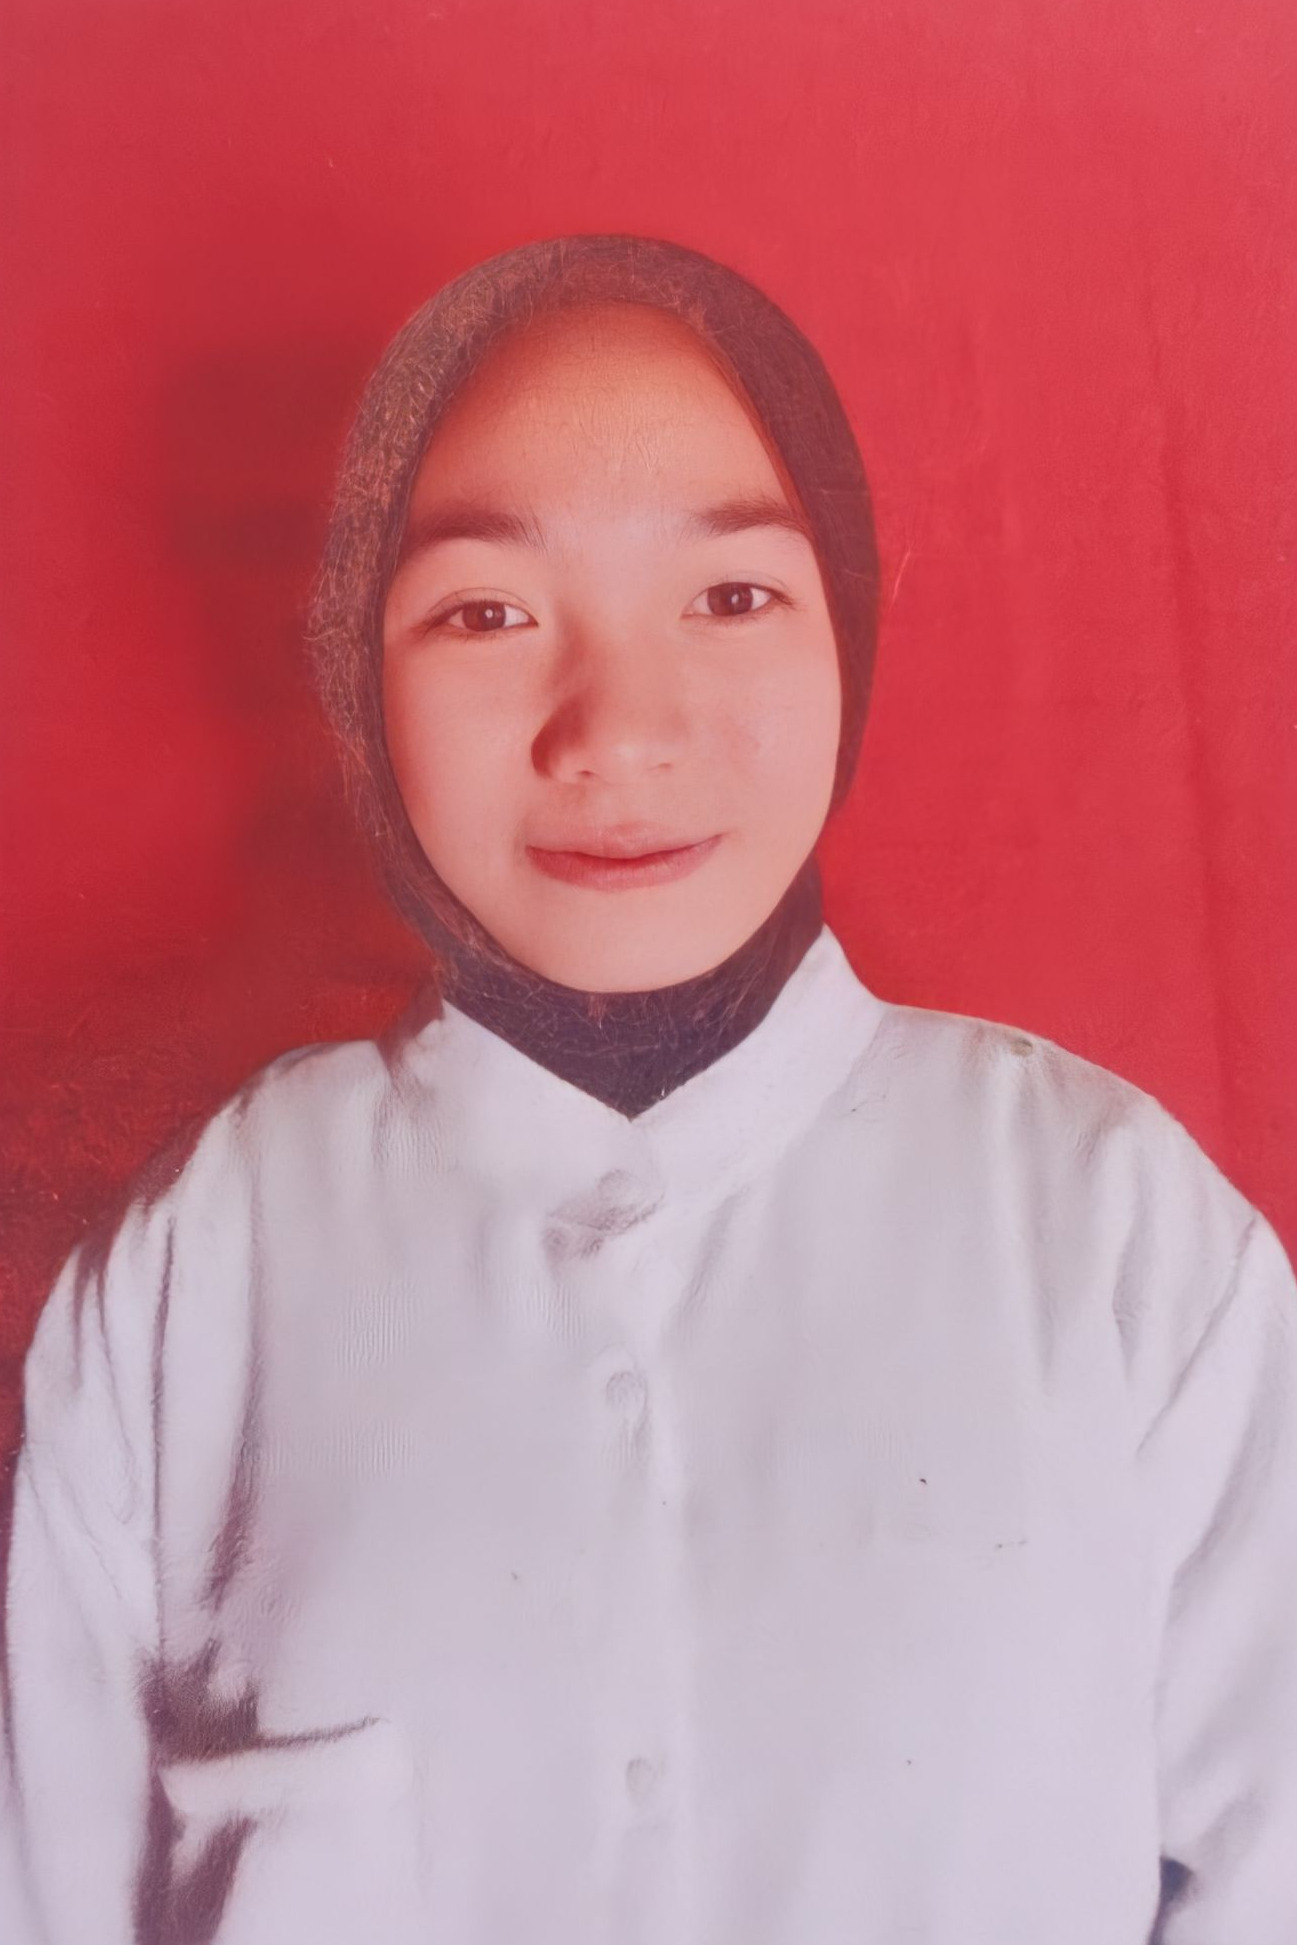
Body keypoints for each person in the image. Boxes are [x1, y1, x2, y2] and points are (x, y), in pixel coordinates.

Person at [2, 233, 1295, 1945]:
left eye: (730, 596)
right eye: (485, 611)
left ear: (849, 624)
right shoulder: (199, 1267)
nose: (616, 730)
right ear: (354, 676)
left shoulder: (1119, 1237)